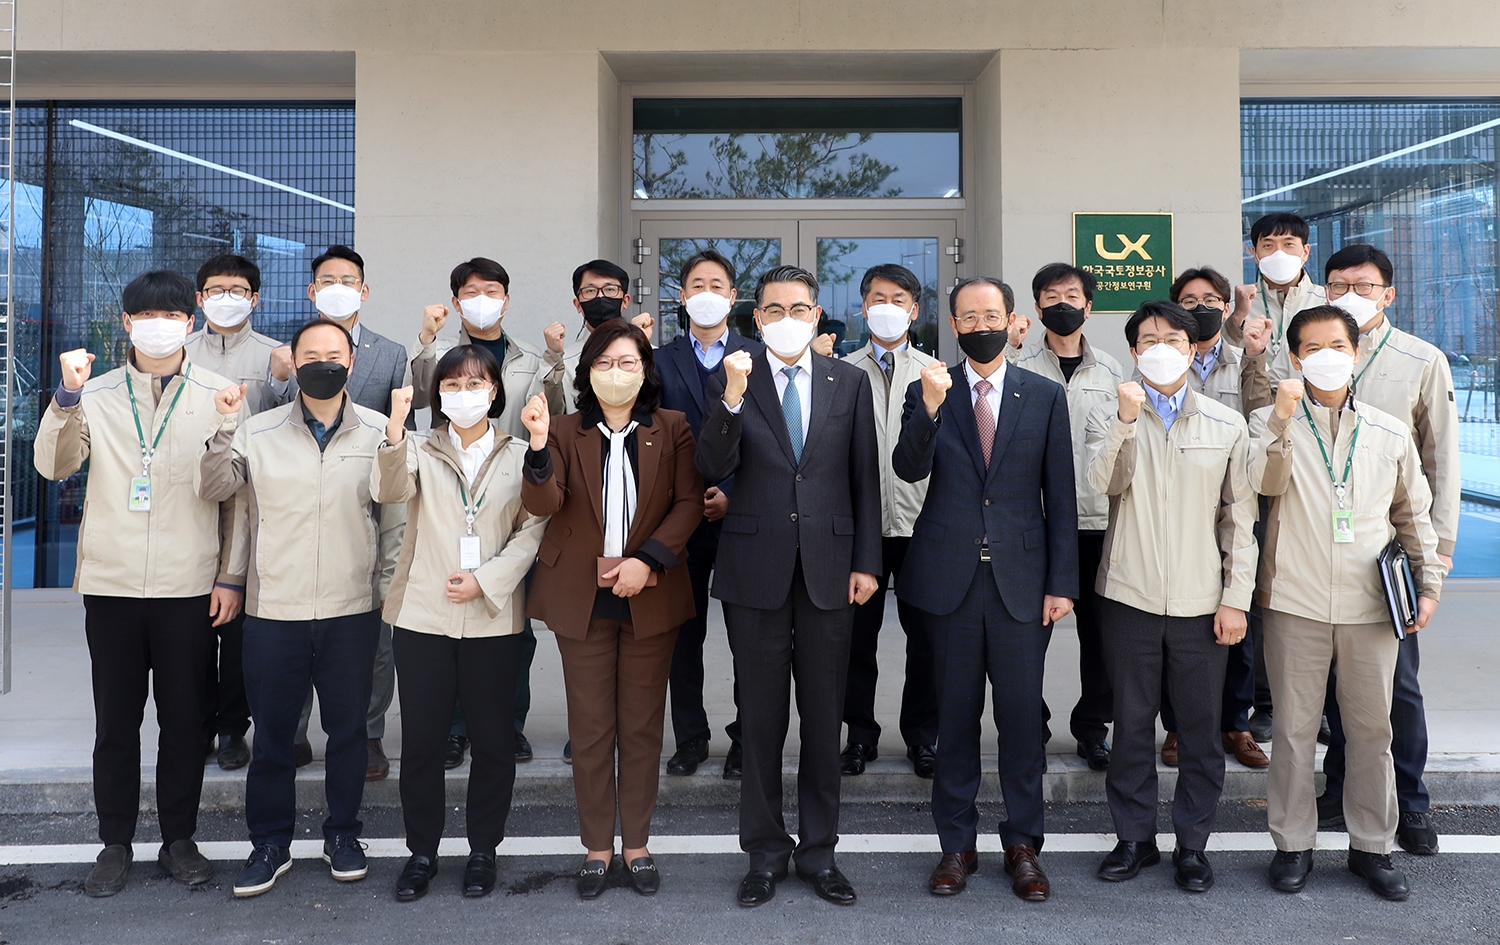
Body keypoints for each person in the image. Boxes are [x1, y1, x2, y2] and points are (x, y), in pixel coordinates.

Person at [33, 270, 247, 897]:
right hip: (114, 584)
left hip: (188, 586)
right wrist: (66, 397)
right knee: (116, 724)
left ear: (192, 323)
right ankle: (114, 843)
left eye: (173, 315)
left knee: (186, 722)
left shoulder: (220, 393)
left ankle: (179, 838)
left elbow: (235, 498)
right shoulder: (94, 393)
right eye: (145, 315)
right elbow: (53, 465)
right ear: (126, 323)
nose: (159, 325)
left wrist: (230, 576)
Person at [696, 265, 881, 908]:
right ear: (756, 318)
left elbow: (864, 478)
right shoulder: (734, 378)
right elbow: (710, 467)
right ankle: (766, 853)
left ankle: (820, 853)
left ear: (817, 315)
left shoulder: (848, 381)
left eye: (799, 307)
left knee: (824, 718)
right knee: (763, 721)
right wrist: (731, 399)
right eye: (773, 309)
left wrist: (866, 561)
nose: (786, 318)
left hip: (831, 570)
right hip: (756, 571)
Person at [1249, 305, 1445, 902]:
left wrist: (1428, 582)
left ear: (1356, 353)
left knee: (1370, 732)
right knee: (1293, 732)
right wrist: (1282, 421)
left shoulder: (1387, 432)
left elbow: (1413, 516)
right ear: (1295, 357)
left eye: (1338, 343)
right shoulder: (1266, 421)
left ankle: (1372, 847)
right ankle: (1292, 845)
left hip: (1371, 606)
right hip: (1294, 600)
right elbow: (1261, 486)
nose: (1327, 354)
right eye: (1313, 346)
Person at [198, 318, 398, 898]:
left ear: (351, 363)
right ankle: (270, 842)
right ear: (293, 360)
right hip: (274, 608)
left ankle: (343, 834)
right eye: (311, 353)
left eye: (334, 354)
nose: (323, 362)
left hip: (351, 607)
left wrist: (387, 594)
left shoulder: (381, 432)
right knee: (276, 736)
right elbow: (216, 490)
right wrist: (222, 425)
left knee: (347, 734)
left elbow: (394, 517)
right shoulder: (256, 431)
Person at [893, 276, 1077, 901]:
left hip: (1023, 585)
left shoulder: (1045, 395)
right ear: (952, 324)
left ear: (1012, 319)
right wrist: (929, 406)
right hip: (949, 581)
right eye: (967, 317)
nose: (979, 325)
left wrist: (1062, 583)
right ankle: (956, 847)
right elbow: (908, 467)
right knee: (955, 719)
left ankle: (1023, 846)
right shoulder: (930, 386)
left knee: (1022, 722)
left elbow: (1062, 496)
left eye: (990, 314)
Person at [520, 321, 705, 899]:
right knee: (592, 729)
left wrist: (647, 561)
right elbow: (541, 502)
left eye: (628, 363)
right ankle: (598, 848)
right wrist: (536, 445)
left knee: (643, 728)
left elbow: (688, 502)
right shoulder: (564, 429)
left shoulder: (671, 427)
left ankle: (638, 846)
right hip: (582, 597)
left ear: (646, 370)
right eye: (604, 363)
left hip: (649, 591)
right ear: (587, 372)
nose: (616, 373)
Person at [1085, 300, 1257, 893]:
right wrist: (1125, 424)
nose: (1160, 347)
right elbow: (1097, 487)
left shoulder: (1225, 423)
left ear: (1192, 349)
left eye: (1173, 340)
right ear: (1134, 351)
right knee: (1130, 727)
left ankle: (1192, 845)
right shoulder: (1114, 411)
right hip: (1128, 596)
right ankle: (1133, 839)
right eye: (1148, 339)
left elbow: (1240, 520)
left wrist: (1235, 597)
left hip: (1201, 602)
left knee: (1200, 730)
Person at [374, 345, 548, 901]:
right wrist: (396, 433)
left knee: (493, 742)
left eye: (475, 384)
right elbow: (389, 491)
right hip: (424, 615)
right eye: (452, 385)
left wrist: (488, 580)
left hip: (494, 616)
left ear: (495, 391)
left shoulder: (522, 454)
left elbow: (534, 528)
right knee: (423, 743)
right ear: (438, 394)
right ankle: (421, 853)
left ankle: (482, 851)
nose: (463, 394)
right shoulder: (419, 448)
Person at [1317, 243, 1460, 856]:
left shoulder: (1420, 360)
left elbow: (1442, 464)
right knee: (1331, 683)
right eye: (1337, 283)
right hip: (1316, 549)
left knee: (1395, 684)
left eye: (1363, 284)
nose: (1350, 293)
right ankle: (1342, 788)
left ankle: (1411, 799)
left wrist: (1435, 564)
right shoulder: (1308, 354)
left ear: (1388, 294)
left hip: (1390, 552)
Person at [409, 257, 561, 768]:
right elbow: (418, 392)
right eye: (470, 292)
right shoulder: (441, 356)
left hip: (512, 495)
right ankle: (454, 728)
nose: (481, 299)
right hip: (451, 496)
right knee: (452, 617)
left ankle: (507, 724)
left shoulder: (532, 362)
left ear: (506, 298)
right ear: (455, 302)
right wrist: (427, 338)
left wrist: (559, 361)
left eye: (491, 290)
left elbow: (556, 418)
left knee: (512, 621)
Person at [291, 245, 412, 780]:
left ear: (364, 289)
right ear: (311, 290)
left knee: (372, 630)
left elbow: (399, 426)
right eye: (326, 279)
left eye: (349, 279)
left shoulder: (390, 352)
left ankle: (368, 734)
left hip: (369, 490)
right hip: (302, 491)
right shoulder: (288, 350)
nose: (338, 286)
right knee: (292, 630)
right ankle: (291, 732)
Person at [1156, 266, 1274, 771]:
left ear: (1227, 308)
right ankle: (1179, 727)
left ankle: (1236, 724)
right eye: (1189, 299)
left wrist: (1253, 357)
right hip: (1178, 506)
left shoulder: (1243, 357)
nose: (1201, 306)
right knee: (1176, 626)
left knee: (1236, 616)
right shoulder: (1161, 359)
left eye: (1211, 299)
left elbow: (1263, 415)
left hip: (1236, 501)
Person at [1009, 262, 1122, 771]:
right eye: (1051, 295)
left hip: (1099, 523)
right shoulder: (1019, 368)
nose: (1062, 303)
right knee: (1028, 634)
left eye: (1072, 295)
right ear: (1037, 308)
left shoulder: (1114, 372)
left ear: (1089, 306)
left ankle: (1093, 728)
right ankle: (1028, 726)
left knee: (1102, 640)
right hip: (1035, 524)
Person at [654, 248, 761, 780]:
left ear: (733, 296)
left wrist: (732, 492)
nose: (707, 293)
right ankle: (691, 737)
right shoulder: (657, 359)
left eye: (717, 284)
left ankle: (746, 741)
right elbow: (652, 441)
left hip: (744, 517)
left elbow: (771, 442)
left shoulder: (761, 356)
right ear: (681, 295)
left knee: (749, 637)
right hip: (680, 515)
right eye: (697, 284)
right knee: (683, 637)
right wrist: (691, 495)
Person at [185, 253, 290, 773]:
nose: (226, 297)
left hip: (249, 500)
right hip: (187, 496)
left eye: (237, 289)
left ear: (254, 298)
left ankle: (233, 728)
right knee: (193, 622)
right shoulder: (177, 354)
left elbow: (288, 423)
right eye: (215, 289)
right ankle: (199, 725)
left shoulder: (276, 356)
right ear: (199, 298)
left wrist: (282, 381)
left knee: (241, 625)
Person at [838, 263, 939, 779]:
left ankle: (924, 737)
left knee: (927, 641)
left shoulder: (935, 373)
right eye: (878, 297)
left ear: (914, 309)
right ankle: (858, 736)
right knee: (857, 640)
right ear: (862, 306)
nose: (887, 306)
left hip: (922, 524)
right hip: (860, 528)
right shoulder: (840, 370)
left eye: (898, 298)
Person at [542, 259, 654, 415]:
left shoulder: (654, 353)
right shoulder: (563, 362)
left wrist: (641, 347)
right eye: (590, 291)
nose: (601, 297)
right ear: (578, 305)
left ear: (625, 300)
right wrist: (553, 356)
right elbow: (546, 414)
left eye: (610, 289)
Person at [1226, 211, 1327, 382]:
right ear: (1254, 253)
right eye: (1268, 246)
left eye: (1288, 244)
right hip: (1250, 403)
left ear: (1306, 252)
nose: (1279, 254)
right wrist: (1236, 320)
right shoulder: (1238, 307)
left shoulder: (1327, 302)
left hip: (1310, 404)